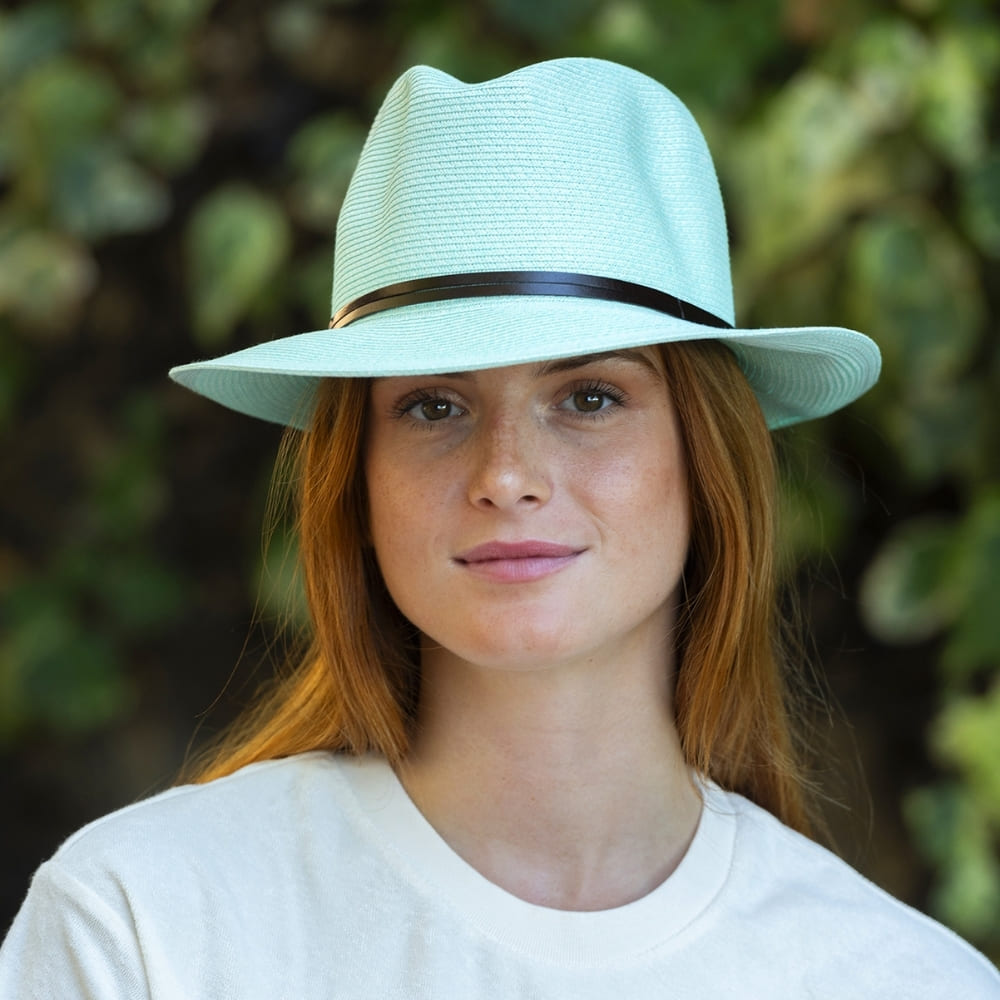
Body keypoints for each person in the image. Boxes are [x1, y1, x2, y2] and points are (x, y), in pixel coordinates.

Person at [1, 57, 997, 998]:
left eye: (590, 398)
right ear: (357, 480)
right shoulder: (142, 926)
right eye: (435, 405)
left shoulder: (903, 981)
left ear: (705, 455)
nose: (508, 475)